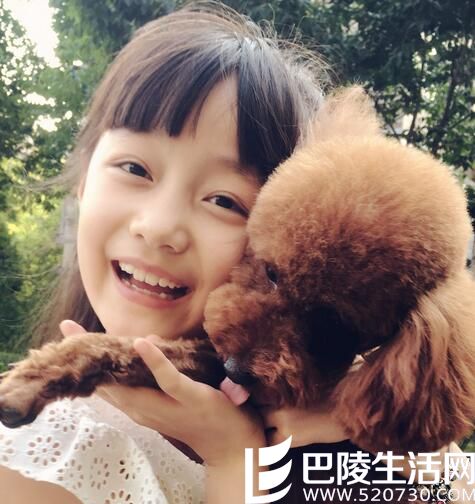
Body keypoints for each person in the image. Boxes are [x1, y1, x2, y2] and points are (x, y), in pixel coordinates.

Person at [0, 4, 473, 504]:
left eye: (224, 200)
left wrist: (423, 460)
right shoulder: (39, 456)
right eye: (135, 168)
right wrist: (235, 458)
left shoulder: (366, 406)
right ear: (82, 181)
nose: (159, 228)